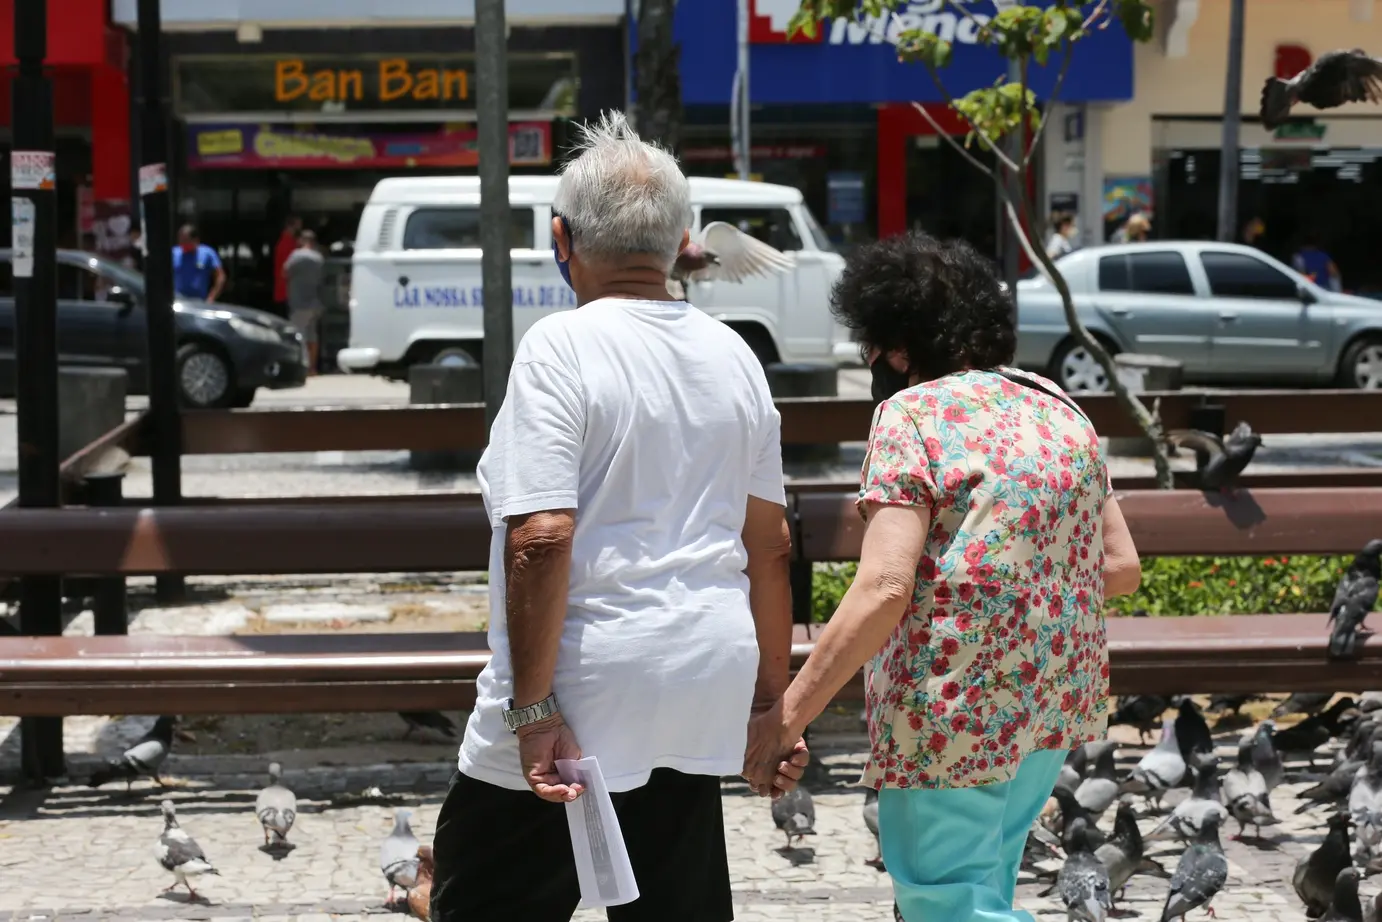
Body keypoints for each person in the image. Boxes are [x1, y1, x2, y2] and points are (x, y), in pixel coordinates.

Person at [429, 112, 808, 922]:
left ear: (560, 239)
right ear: (680, 243)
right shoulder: (733, 354)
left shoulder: (560, 347)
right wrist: (772, 706)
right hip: (702, 673)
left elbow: (540, 536)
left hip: (582, 684)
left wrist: (531, 714)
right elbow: (770, 545)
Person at [744, 232, 1143, 922]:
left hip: (953, 709)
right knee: (984, 886)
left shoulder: (911, 415)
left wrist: (785, 719)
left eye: (871, 347)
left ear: (899, 347)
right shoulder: (1059, 408)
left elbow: (885, 588)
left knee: (945, 901)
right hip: (1049, 700)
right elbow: (1121, 568)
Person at [283, 229, 326, 374]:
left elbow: (285, 272)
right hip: (315, 302)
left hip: (299, 302)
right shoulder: (319, 258)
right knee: (312, 336)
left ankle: (302, 367)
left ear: (302, 240)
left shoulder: (295, 255)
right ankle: (312, 368)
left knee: (299, 336)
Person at [171, 225, 225, 302]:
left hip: (199, 301)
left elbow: (220, 276)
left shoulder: (207, 253)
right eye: (180, 240)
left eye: (185, 240)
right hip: (178, 300)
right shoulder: (174, 253)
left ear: (195, 240)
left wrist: (212, 297)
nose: (181, 243)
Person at [273, 215, 303, 318]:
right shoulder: (287, 244)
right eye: (298, 226)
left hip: (286, 291)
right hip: (287, 292)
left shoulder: (286, 242)